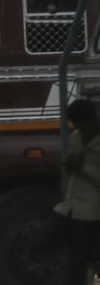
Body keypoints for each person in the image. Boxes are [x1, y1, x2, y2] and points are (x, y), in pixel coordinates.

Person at [56, 98, 100, 284]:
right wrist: (69, 165)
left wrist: (82, 168)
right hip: (72, 206)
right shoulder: (76, 137)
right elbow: (68, 169)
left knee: (82, 260)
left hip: (92, 211)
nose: (79, 130)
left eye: (81, 126)